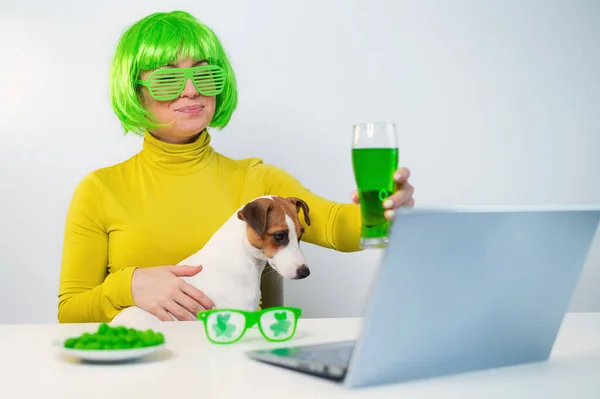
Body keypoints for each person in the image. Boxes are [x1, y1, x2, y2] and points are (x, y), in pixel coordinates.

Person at [57, 10, 415, 323]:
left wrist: (384, 211)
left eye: (206, 75)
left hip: (240, 374)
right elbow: (71, 311)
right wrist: (128, 285)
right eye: (168, 79)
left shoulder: (259, 181)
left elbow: (338, 225)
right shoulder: (100, 190)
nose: (191, 90)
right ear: (135, 93)